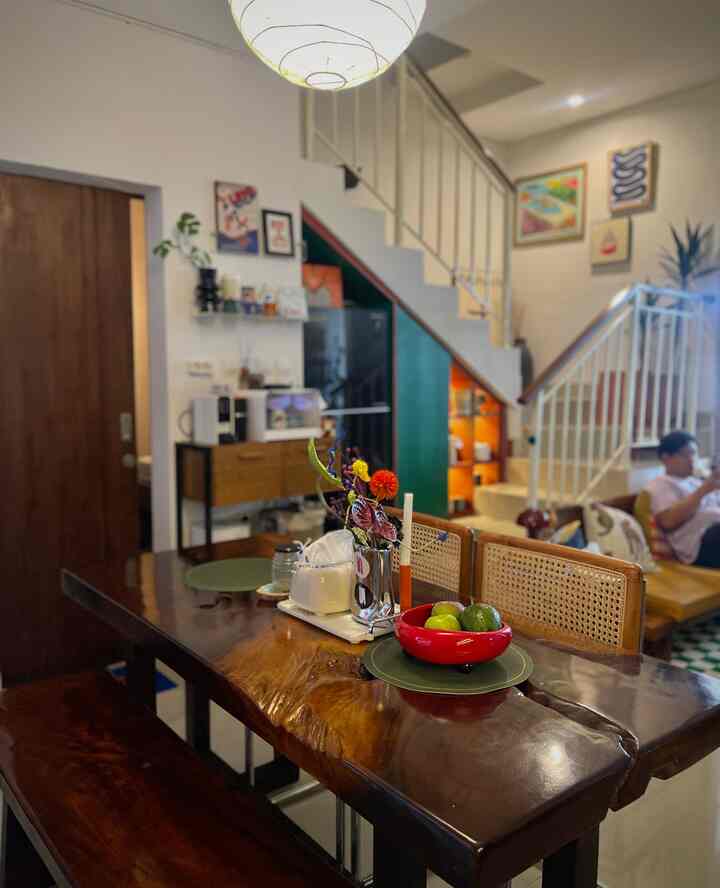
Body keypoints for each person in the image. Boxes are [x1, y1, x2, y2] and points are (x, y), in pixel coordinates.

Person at [645, 431, 720, 568]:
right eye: (685, 455)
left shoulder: (696, 482)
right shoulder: (660, 485)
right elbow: (668, 521)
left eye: (694, 454)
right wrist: (704, 490)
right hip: (699, 544)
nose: (692, 459)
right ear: (666, 458)